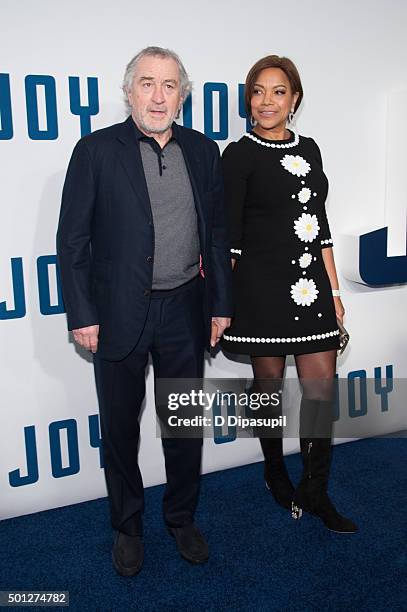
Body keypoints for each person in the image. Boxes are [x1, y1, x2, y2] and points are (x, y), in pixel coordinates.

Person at [57, 46, 233, 576]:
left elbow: (217, 235)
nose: (159, 97)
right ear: (129, 90)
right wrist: (83, 314)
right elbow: (73, 242)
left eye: (170, 85)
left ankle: (181, 518)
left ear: (183, 95)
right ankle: (127, 526)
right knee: (119, 430)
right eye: (148, 84)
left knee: (183, 425)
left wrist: (220, 304)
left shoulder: (203, 151)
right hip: (116, 315)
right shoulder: (95, 151)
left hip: (185, 309)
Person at [220, 54, 357, 533]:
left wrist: (335, 291)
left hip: (311, 287)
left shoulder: (311, 149)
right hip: (260, 289)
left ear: (294, 99)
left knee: (320, 388)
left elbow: (319, 229)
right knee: (269, 389)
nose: (266, 101)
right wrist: (223, 301)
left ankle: (316, 489)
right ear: (248, 99)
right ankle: (275, 471)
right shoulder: (237, 155)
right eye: (258, 91)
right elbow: (230, 237)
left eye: (278, 91)